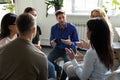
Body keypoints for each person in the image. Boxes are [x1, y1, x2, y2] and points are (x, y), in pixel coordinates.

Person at [0, 13, 48, 80]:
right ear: (34, 30)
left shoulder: (2, 49)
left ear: (18, 28)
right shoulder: (42, 57)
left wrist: (32, 47)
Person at [24, 7, 56, 80]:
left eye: (35, 15)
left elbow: (39, 38)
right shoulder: (22, 28)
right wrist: (32, 46)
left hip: (35, 50)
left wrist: (38, 45)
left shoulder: (37, 27)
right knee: (48, 67)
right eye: (32, 15)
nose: (34, 17)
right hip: (30, 53)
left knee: (51, 66)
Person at [48, 9, 79, 80]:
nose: (62, 20)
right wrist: (52, 43)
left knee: (67, 64)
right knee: (48, 60)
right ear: (56, 19)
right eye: (59, 18)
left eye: (63, 17)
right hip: (58, 48)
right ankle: (58, 69)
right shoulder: (53, 28)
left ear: (66, 17)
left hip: (69, 49)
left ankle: (62, 78)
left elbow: (77, 42)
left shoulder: (72, 27)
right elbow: (51, 41)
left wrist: (70, 43)